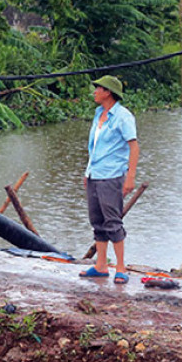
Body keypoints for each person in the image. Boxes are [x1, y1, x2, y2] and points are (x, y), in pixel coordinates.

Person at [79, 75, 140, 285]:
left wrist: (130, 177)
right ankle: (101, 265)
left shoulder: (123, 117)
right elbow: (95, 147)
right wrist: (88, 172)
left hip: (112, 176)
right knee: (97, 220)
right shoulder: (98, 114)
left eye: (98, 88)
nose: (95, 91)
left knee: (113, 221)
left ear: (108, 92)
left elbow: (134, 146)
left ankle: (121, 268)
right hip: (95, 174)